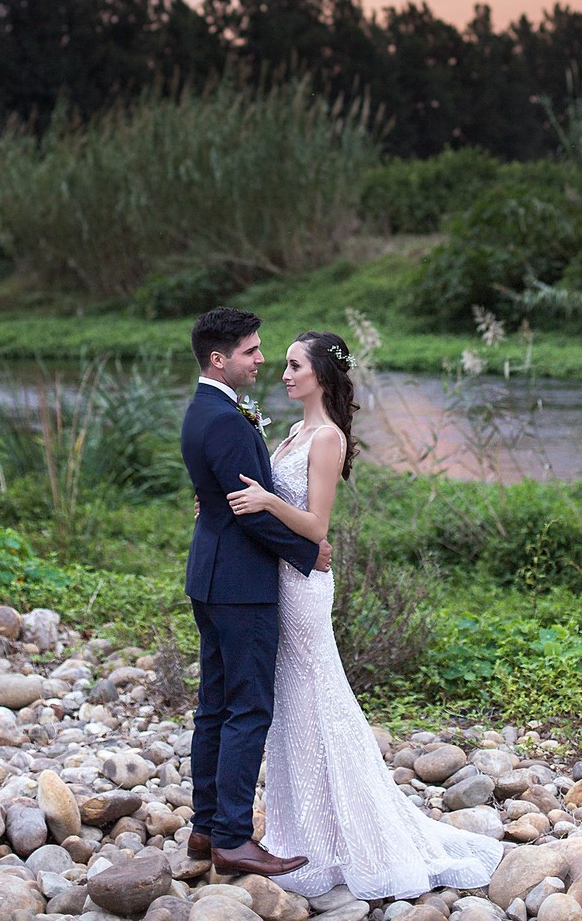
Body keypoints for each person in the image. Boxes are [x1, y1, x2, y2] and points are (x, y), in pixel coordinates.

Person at [227, 330, 503, 900]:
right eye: (282, 365)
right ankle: (304, 831)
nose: (283, 374)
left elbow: (316, 527)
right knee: (293, 701)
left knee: (315, 695)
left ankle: (349, 833)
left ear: (321, 376)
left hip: (302, 584)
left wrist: (268, 502)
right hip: (279, 575)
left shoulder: (325, 438)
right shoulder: (291, 434)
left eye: (294, 365)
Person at [181, 307, 333, 879]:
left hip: (212, 575)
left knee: (215, 707)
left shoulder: (205, 410)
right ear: (219, 359)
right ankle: (234, 838)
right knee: (247, 709)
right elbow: (248, 508)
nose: (262, 360)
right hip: (241, 584)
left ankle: (206, 826)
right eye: (251, 351)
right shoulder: (224, 419)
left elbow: (227, 497)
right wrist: (308, 553)